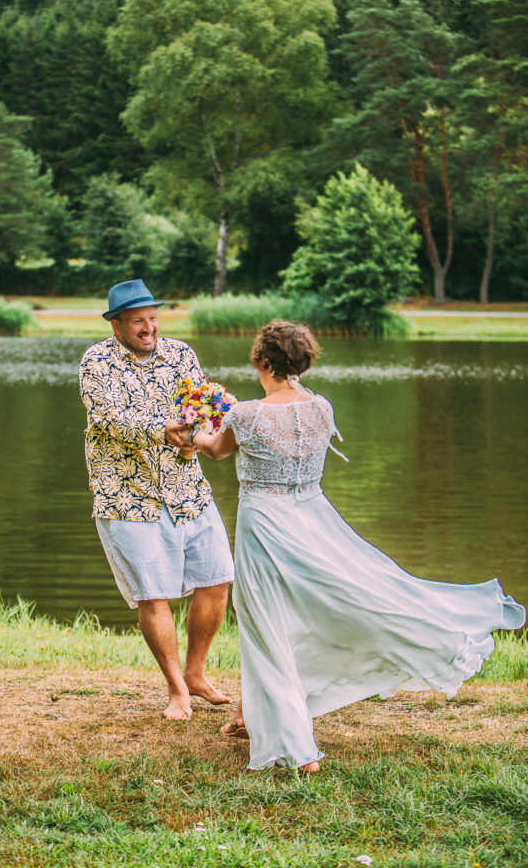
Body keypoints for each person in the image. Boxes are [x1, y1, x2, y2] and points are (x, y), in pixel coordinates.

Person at [188, 320, 526, 772]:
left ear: (264, 362)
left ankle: (296, 748)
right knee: (338, 602)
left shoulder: (247, 414)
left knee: (265, 621)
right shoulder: (321, 408)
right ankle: (251, 712)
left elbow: (215, 450)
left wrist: (190, 431)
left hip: (265, 525)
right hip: (314, 520)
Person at [78, 279, 235, 721]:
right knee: (155, 594)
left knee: (218, 578)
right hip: (128, 494)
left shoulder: (181, 354)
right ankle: (176, 689)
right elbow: (109, 419)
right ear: (117, 325)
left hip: (188, 488)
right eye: (138, 321)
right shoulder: (96, 362)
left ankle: (197, 673)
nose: (149, 328)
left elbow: (198, 408)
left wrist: (206, 431)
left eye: (152, 318)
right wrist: (161, 429)